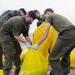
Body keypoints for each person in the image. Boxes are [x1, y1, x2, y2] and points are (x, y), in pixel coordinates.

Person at [0, 10, 36, 75]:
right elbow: (16, 36)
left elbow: (26, 35)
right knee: (9, 53)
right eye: (31, 19)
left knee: (18, 51)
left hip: (12, 35)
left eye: (33, 20)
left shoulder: (27, 24)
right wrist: (26, 43)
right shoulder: (19, 21)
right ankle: (6, 72)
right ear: (28, 17)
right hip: (5, 34)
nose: (32, 21)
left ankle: (17, 69)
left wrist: (32, 44)